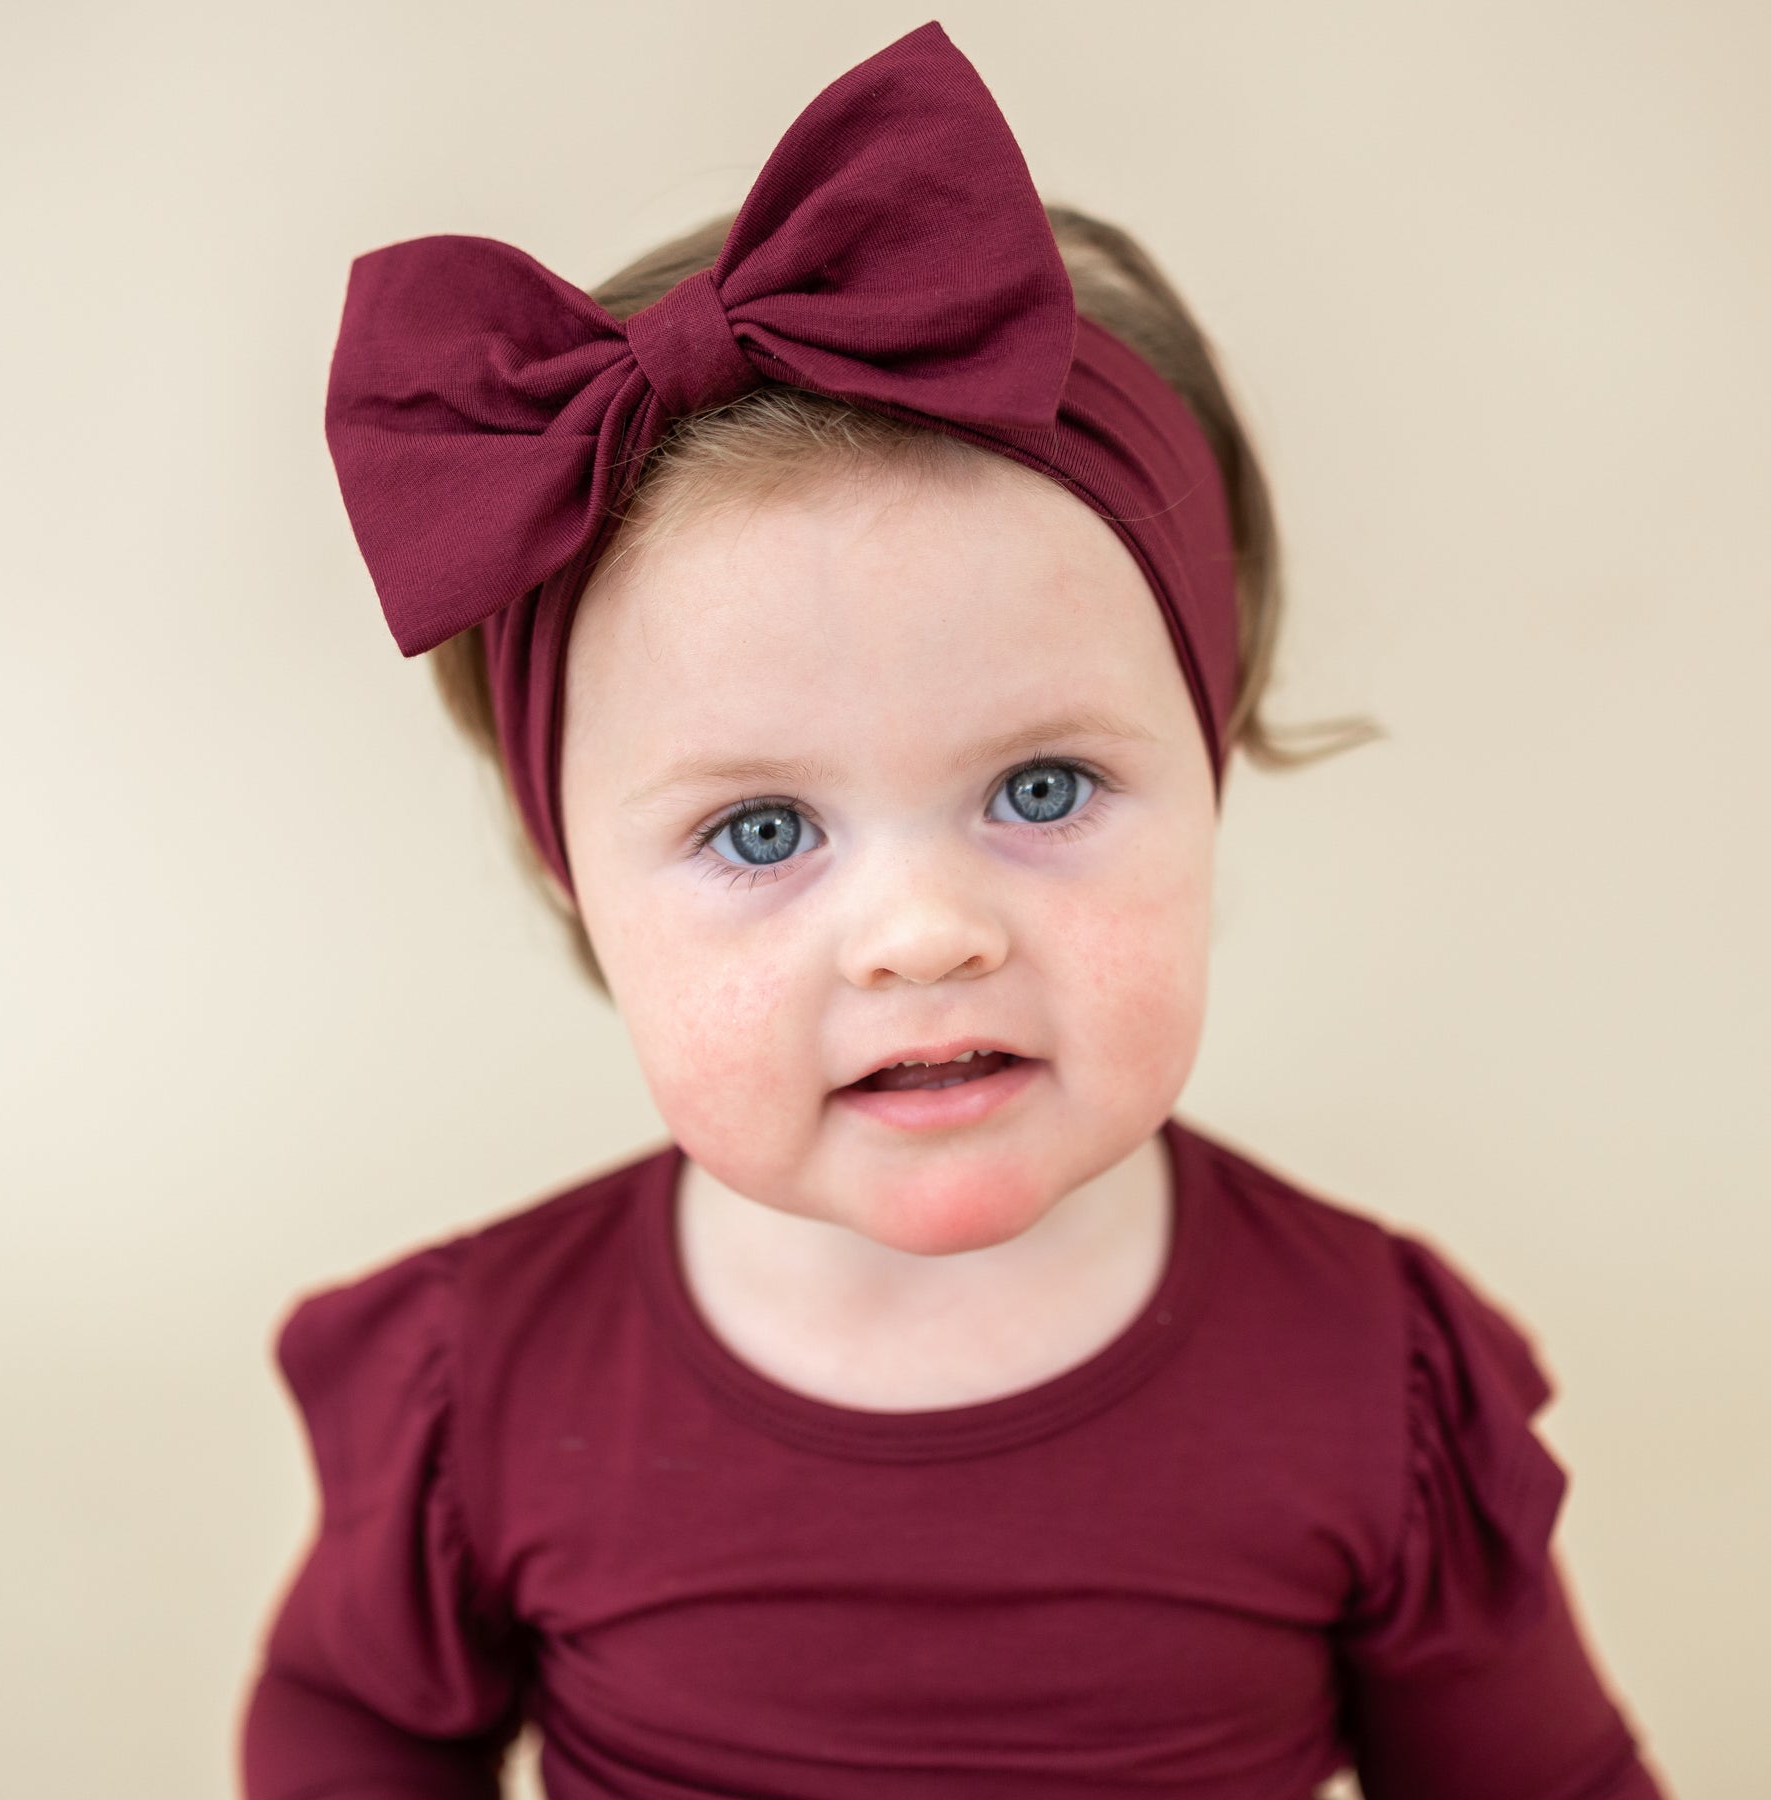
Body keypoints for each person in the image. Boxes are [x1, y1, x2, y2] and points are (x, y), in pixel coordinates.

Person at [239, 23, 1671, 1799]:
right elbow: (354, 1723)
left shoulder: (1370, 1376)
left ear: (1211, 756)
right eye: (763, 828)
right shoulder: (487, 1385)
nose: (925, 934)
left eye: (1042, 789)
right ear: (572, 873)